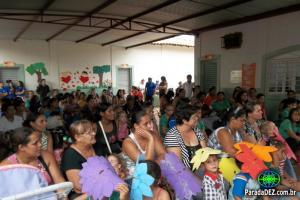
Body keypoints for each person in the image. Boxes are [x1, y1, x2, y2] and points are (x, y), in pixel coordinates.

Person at [61, 120, 129, 200]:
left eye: (93, 130)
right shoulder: (70, 155)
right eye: (89, 132)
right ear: (77, 137)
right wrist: (108, 185)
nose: (93, 133)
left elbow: (107, 168)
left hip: (105, 186)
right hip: (84, 194)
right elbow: (79, 187)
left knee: (125, 188)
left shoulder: (97, 145)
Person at [0, 127, 65, 185]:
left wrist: (63, 196)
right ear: (21, 147)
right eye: (35, 143)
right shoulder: (6, 167)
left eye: (40, 141)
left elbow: (60, 181)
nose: (40, 145)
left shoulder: (46, 156)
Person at [122, 111, 166, 178]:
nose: (150, 126)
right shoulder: (128, 142)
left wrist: (155, 165)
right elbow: (146, 165)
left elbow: (163, 154)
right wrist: (150, 139)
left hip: (153, 172)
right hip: (134, 179)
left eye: (150, 122)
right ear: (136, 126)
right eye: (146, 124)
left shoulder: (152, 134)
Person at [208, 108, 246, 182]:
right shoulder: (223, 131)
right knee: (241, 182)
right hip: (218, 163)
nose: (244, 123)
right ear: (232, 119)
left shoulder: (237, 133)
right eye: (242, 120)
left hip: (229, 161)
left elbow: (243, 149)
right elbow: (232, 152)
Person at [164, 104, 206, 169]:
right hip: (184, 174)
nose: (197, 118)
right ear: (184, 121)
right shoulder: (172, 136)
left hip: (202, 170)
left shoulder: (196, 131)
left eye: (197, 116)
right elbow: (178, 165)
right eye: (194, 117)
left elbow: (205, 152)